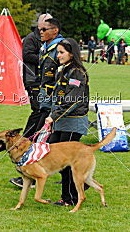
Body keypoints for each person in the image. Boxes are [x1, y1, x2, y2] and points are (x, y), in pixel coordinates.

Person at [9, 14, 54, 189]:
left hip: (47, 83)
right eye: (46, 24)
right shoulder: (31, 38)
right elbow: (26, 56)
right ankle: (27, 140)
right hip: (34, 81)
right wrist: (47, 59)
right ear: (40, 24)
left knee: (43, 117)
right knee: (40, 114)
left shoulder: (50, 39)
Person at [45, 38, 89, 206]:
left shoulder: (77, 72)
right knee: (55, 156)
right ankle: (83, 183)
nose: (58, 55)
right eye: (58, 52)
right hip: (61, 121)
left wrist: (53, 116)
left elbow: (73, 100)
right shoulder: (63, 69)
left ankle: (69, 198)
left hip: (74, 121)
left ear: (72, 53)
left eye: (62, 52)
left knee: (66, 162)